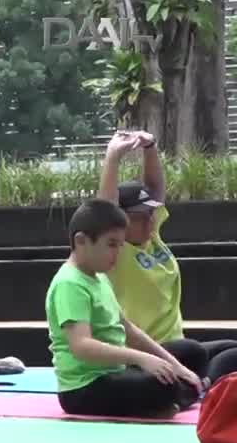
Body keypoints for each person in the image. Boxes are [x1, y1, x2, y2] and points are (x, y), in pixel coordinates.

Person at [98, 130, 237, 384]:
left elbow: (155, 188)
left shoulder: (152, 238)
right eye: (141, 216)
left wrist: (150, 146)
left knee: (231, 351)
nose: (151, 220)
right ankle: (198, 384)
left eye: (151, 213)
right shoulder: (116, 254)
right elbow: (105, 208)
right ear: (121, 222)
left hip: (179, 347)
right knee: (195, 352)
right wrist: (113, 157)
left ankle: (199, 382)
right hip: (148, 353)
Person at [46, 199, 204, 419]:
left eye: (121, 245)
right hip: (84, 388)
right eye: (111, 244)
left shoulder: (100, 276)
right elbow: (81, 346)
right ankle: (175, 397)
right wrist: (141, 359)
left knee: (192, 353)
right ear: (81, 241)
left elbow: (127, 328)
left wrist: (176, 366)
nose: (118, 253)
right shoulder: (70, 284)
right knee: (164, 386)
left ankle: (178, 396)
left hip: (117, 371)